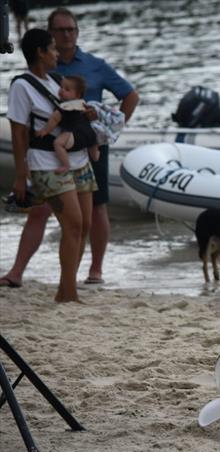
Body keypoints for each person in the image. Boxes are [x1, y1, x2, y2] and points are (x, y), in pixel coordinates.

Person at [0, 7, 139, 289]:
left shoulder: (92, 64)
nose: (67, 35)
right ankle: (19, 272)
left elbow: (130, 95)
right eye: (61, 31)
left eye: (72, 29)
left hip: (87, 145)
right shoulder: (45, 77)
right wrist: (21, 172)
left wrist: (106, 131)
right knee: (47, 213)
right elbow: (22, 126)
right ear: (48, 40)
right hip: (53, 155)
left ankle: (93, 271)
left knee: (95, 211)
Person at [4, 28, 96, 301]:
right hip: (46, 163)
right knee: (74, 224)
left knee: (85, 225)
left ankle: (65, 288)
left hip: (77, 160)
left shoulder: (57, 81)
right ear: (40, 53)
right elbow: (19, 132)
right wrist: (22, 174)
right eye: (52, 49)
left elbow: (70, 114)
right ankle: (68, 293)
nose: (57, 53)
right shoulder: (22, 86)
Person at [35, 74, 100, 173]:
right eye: (61, 87)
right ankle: (95, 156)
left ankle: (65, 165)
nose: (61, 90)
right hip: (90, 135)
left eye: (67, 89)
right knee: (93, 149)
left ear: (78, 95)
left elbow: (54, 119)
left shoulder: (63, 107)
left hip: (74, 135)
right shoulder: (83, 104)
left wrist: (45, 130)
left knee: (58, 144)